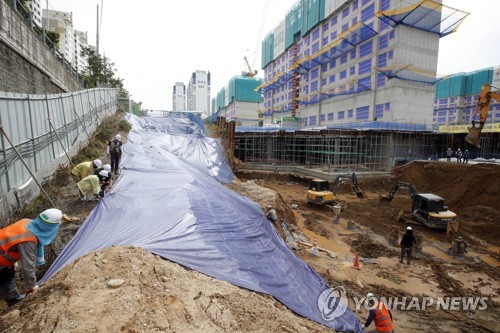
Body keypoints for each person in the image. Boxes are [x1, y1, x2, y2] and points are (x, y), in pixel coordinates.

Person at [0, 208, 63, 306]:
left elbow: (10, 238)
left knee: (7, 273)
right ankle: (13, 301)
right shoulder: (28, 240)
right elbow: (28, 267)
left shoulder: (26, 221)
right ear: (51, 227)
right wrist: (33, 286)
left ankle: (13, 299)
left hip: (3, 259)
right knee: (6, 275)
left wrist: (12, 261)